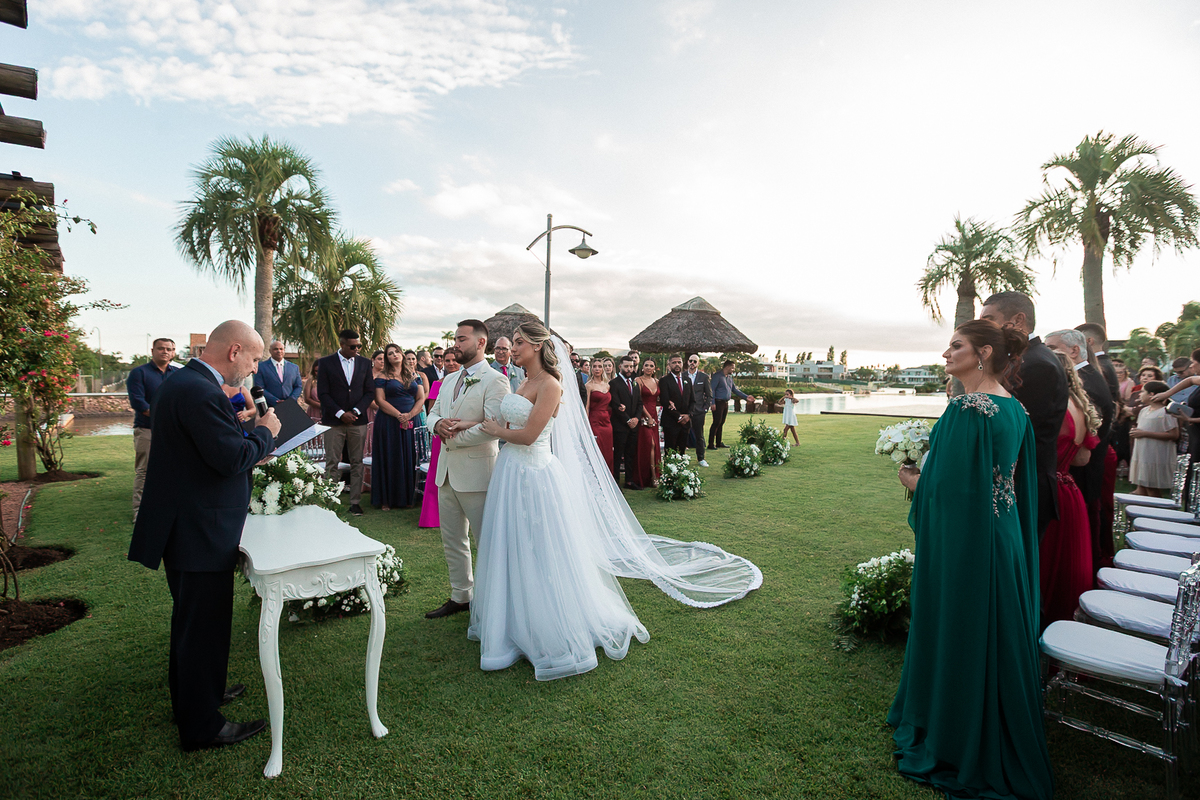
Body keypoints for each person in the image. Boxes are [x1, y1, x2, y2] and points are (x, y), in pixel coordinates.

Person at [469, 321, 761, 680]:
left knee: (541, 545)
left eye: (517, 342)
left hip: (534, 473)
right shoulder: (523, 381)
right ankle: (511, 616)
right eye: (511, 343)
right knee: (512, 543)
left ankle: (548, 619)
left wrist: (494, 431)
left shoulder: (551, 384)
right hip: (511, 473)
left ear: (536, 346)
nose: (511, 349)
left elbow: (530, 435)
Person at [892, 319, 1052, 800]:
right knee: (993, 632)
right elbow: (1005, 484)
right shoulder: (1014, 408)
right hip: (1001, 537)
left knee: (962, 627)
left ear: (982, 353)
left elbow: (951, 490)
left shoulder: (967, 409)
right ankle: (994, 722)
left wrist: (912, 481)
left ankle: (959, 736)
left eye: (955, 346)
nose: (946, 353)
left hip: (967, 543)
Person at [128, 320, 281, 752]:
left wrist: (238, 427)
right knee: (202, 628)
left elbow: (206, 447)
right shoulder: (198, 391)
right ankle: (200, 725)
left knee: (196, 624)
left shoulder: (188, 384)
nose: (252, 370)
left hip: (190, 522)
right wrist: (266, 432)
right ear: (234, 351)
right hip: (198, 529)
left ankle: (203, 694)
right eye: (253, 359)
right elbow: (230, 458)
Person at [424, 320, 511, 619]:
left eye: (461, 339)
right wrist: (436, 425)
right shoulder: (450, 379)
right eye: (455, 339)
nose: (456, 344)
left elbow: (493, 427)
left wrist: (453, 436)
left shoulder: (495, 380)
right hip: (446, 472)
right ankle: (461, 595)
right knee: (452, 539)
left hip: (478, 473)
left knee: (485, 541)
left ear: (481, 343)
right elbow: (432, 413)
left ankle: (493, 601)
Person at [979, 291, 1068, 537]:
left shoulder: (1036, 364)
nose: (983, 327)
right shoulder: (1023, 360)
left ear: (1018, 320)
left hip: (1023, 487)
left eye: (988, 319)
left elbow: (1016, 432)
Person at [1039, 351, 1101, 625]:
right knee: (1066, 565)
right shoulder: (1080, 405)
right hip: (1070, 490)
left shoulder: (1055, 408)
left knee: (1047, 561)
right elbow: (1083, 458)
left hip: (1052, 489)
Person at [1046, 329, 1114, 568]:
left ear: (1074, 350)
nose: (1046, 354)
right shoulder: (1088, 377)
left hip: (1079, 474)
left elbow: (1080, 442)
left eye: (1051, 348)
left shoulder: (1086, 383)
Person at [317, 329, 375, 517]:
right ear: (342, 344)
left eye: (359, 346)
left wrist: (356, 411)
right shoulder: (325, 363)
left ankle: (355, 502)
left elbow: (369, 392)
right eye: (353, 346)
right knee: (332, 462)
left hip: (358, 421)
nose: (357, 349)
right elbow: (323, 393)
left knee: (357, 462)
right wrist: (341, 413)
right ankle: (329, 501)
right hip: (334, 421)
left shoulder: (365, 363)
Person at [127, 337, 179, 523]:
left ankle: (167, 508)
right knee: (145, 471)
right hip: (147, 430)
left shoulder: (177, 374)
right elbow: (138, 402)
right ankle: (139, 512)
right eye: (161, 348)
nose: (165, 352)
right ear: (152, 351)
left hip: (172, 432)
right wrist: (164, 416)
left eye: (169, 349)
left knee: (171, 471)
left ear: (174, 352)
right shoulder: (139, 373)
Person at [372, 344, 426, 511]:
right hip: (389, 421)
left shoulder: (414, 375)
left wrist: (409, 416)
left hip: (412, 420)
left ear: (402, 354)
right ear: (387, 358)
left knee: (411, 456)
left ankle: (409, 496)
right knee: (391, 456)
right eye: (390, 353)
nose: (394, 355)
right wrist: (399, 416)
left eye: (396, 351)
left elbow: (421, 398)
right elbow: (380, 401)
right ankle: (387, 499)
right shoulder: (382, 376)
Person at [419, 347, 461, 529]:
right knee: (437, 473)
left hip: (463, 433)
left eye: (455, 360)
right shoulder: (437, 384)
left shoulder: (469, 383)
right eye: (447, 360)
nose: (451, 364)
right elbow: (430, 413)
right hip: (441, 434)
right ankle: (432, 517)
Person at [1130, 380, 1180, 497]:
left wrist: (1145, 434)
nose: (1139, 394)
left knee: (1152, 489)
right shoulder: (1144, 410)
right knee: (1141, 488)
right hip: (1143, 453)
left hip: (1156, 455)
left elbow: (1174, 435)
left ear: (1152, 394)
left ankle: (1155, 511)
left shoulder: (1166, 412)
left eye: (1143, 392)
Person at [609, 354, 642, 489]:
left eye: (631, 366)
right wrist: (628, 420)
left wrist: (636, 419)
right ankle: (615, 482)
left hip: (634, 425)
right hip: (620, 426)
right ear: (620, 366)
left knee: (630, 454)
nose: (629, 369)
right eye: (626, 366)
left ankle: (629, 480)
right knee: (618, 455)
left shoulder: (635, 383)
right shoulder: (614, 383)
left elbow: (640, 403)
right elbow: (615, 404)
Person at [709, 360, 750, 450]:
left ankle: (719, 442)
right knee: (716, 422)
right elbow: (712, 389)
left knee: (721, 422)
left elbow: (735, 390)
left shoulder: (729, 377)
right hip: (718, 402)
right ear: (727, 367)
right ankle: (710, 444)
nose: (733, 370)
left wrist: (746, 397)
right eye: (733, 368)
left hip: (725, 403)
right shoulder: (717, 376)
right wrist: (712, 402)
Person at [658, 354, 693, 456]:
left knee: (681, 452)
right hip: (671, 422)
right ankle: (669, 471)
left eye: (679, 362)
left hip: (686, 422)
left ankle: (681, 471)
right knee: (670, 452)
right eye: (674, 362)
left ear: (682, 364)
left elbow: (693, 401)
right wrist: (679, 416)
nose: (677, 364)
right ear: (669, 365)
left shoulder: (688, 380)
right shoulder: (664, 380)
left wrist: (688, 415)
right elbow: (665, 401)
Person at [636, 358, 662, 488]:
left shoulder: (657, 381)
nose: (648, 367)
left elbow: (658, 400)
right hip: (643, 415)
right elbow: (638, 401)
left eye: (651, 365)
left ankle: (656, 475)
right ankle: (651, 476)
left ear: (654, 368)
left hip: (654, 416)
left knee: (654, 445)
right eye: (646, 365)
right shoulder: (638, 381)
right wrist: (647, 416)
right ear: (642, 367)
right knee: (649, 444)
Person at [252, 340, 302, 408]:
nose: (279, 351)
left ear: (284, 350)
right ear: (270, 351)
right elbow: (259, 388)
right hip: (270, 406)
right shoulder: (261, 367)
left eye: (281, 349)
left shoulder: (294, 367)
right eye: (276, 349)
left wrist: (291, 400)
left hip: (290, 406)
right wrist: (276, 401)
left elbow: (298, 386)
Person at [585, 359, 614, 474]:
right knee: (597, 448)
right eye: (594, 366)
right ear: (591, 369)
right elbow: (587, 407)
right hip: (595, 419)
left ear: (603, 369)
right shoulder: (588, 385)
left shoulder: (608, 385)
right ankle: (596, 476)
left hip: (607, 421)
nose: (597, 369)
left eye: (599, 366)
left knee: (608, 449)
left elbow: (610, 405)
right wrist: (586, 424)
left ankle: (608, 477)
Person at [685, 353, 713, 467]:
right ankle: (681, 457)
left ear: (698, 363)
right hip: (685, 410)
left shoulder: (703, 377)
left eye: (695, 361)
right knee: (683, 434)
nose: (692, 363)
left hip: (699, 410)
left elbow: (709, 394)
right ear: (687, 362)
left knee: (699, 435)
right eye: (691, 361)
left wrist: (705, 408)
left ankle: (701, 458)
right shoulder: (682, 376)